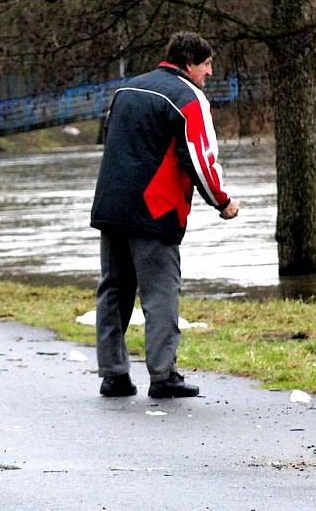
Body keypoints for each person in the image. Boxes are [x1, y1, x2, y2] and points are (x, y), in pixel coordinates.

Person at [90, 31, 240, 398]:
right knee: (160, 294)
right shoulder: (188, 98)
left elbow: (111, 142)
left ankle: (113, 375)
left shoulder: (126, 91)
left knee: (114, 290)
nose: (209, 73)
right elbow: (201, 158)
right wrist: (222, 201)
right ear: (190, 63)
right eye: (207, 65)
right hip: (154, 209)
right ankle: (163, 376)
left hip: (110, 205)